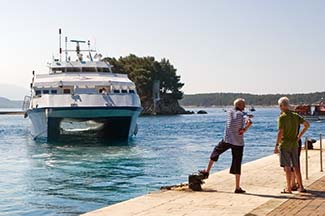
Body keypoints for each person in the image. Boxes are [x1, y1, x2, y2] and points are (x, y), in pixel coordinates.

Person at [200, 98, 253, 193]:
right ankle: (237, 187)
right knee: (237, 162)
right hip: (238, 142)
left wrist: (246, 115)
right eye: (244, 105)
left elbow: (239, 115)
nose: (245, 106)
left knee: (216, 151)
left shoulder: (229, 112)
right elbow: (249, 122)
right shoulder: (242, 115)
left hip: (227, 139)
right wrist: (244, 129)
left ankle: (207, 171)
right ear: (240, 106)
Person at [274, 97, 310, 193]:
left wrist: (276, 145)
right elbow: (307, 125)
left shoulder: (282, 117)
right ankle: (301, 186)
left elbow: (280, 132)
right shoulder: (295, 116)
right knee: (296, 165)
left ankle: (289, 188)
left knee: (287, 167)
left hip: (285, 144)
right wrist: (299, 136)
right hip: (294, 143)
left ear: (281, 106)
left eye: (279, 106)